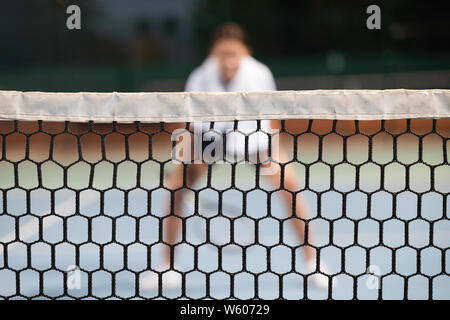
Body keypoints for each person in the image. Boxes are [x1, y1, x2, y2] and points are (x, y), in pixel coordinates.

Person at [141, 23, 331, 291]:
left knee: (290, 187)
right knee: (175, 189)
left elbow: (272, 115)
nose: (228, 59)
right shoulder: (199, 76)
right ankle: (167, 268)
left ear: (245, 52)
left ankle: (313, 264)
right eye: (223, 53)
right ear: (213, 54)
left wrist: (275, 152)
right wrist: (180, 160)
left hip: (254, 139)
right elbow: (190, 122)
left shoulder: (260, 73)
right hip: (212, 141)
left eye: (234, 53)